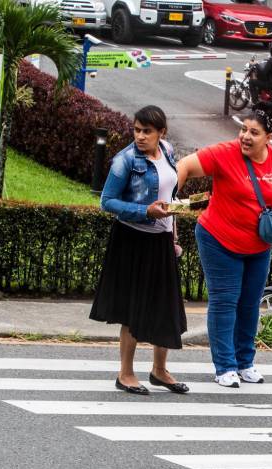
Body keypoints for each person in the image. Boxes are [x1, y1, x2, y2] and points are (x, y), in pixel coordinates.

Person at [177, 101, 272, 388]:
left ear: (268, 138)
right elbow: (184, 166)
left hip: (258, 245)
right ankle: (225, 366)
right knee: (225, 301)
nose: (245, 136)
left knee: (250, 304)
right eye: (243, 129)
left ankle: (245, 362)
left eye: (254, 132)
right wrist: (169, 200)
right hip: (219, 239)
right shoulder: (224, 153)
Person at [90, 105, 189, 396]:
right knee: (132, 310)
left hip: (161, 239)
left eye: (147, 131)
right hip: (133, 239)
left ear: (162, 133)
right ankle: (125, 373)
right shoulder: (125, 160)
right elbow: (107, 201)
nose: (140, 136)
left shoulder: (167, 151)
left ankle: (159, 370)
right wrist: (145, 211)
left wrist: (174, 226)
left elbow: (169, 193)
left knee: (165, 307)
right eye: (137, 130)